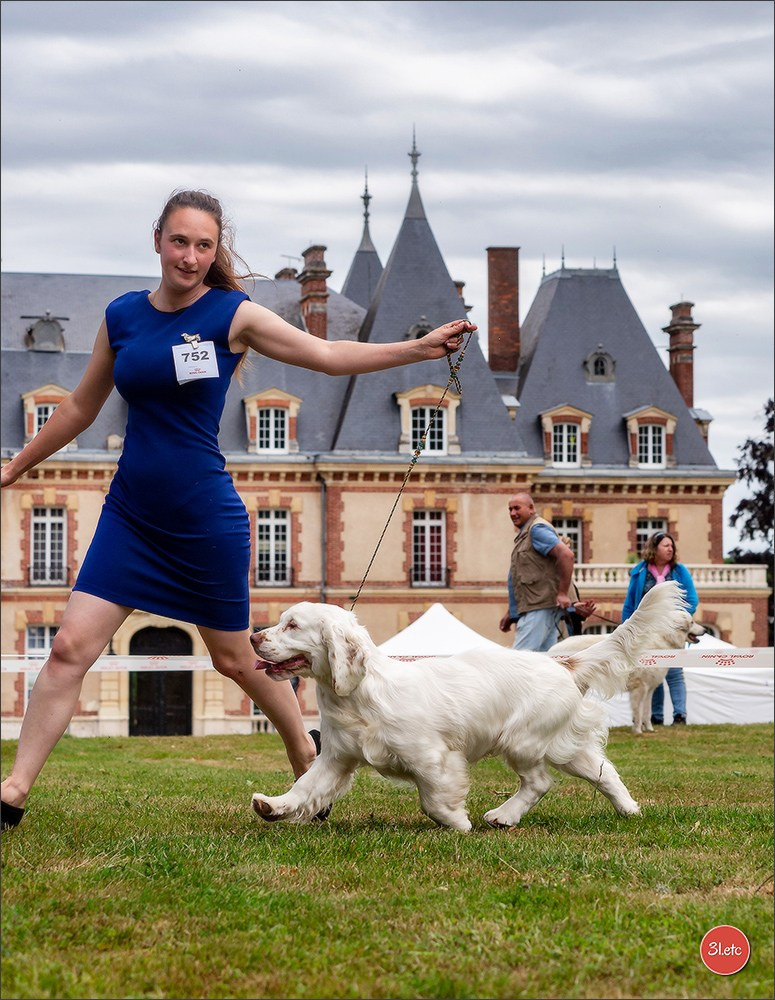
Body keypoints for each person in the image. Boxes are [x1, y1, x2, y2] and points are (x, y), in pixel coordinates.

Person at [0, 188, 473, 830]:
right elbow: (81, 407)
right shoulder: (122, 316)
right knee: (67, 650)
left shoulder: (233, 315)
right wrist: (17, 465)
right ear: (158, 242)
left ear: (214, 252)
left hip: (205, 521)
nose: (190, 257)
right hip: (130, 516)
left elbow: (329, 357)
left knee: (235, 659)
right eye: (179, 242)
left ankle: (303, 747)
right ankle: (14, 792)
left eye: (203, 245)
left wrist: (416, 350)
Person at [497, 492, 593, 651]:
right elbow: (521, 578)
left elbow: (566, 555)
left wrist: (562, 594)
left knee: (519, 661)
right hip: (539, 609)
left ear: (531, 508)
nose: (512, 513)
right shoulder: (527, 533)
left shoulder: (537, 529)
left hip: (538, 610)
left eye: (517, 508)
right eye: (510, 509)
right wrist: (511, 612)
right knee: (544, 662)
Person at [621, 530, 699, 726]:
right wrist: (626, 628)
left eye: (672, 546)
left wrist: (677, 619)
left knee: (674, 672)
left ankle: (679, 715)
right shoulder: (639, 571)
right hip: (647, 632)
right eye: (666, 545)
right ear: (654, 549)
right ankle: (655, 717)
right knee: (651, 674)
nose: (670, 549)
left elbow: (692, 599)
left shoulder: (680, 571)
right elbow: (630, 603)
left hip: (673, 631)